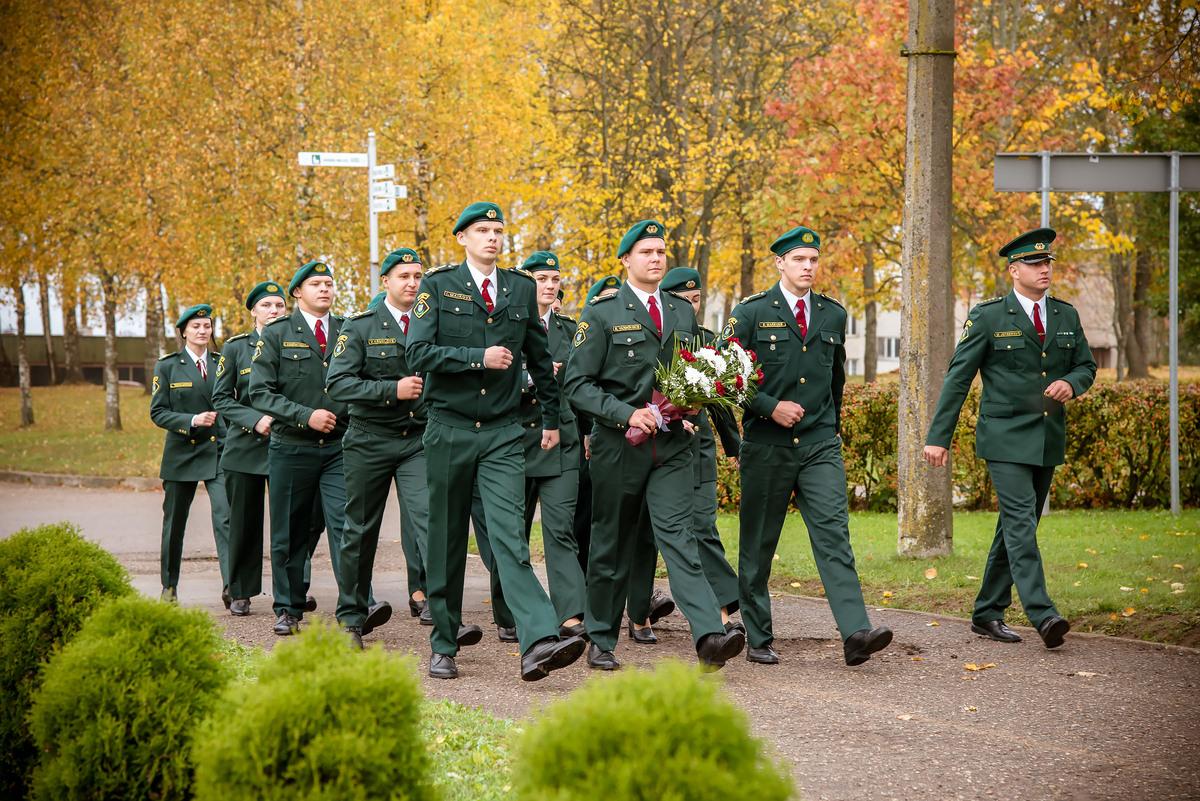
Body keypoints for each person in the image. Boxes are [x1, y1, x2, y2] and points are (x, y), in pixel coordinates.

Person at [406, 201, 586, 681]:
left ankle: (538, 640)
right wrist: (476, 357)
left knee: (511, 538)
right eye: (482, 230)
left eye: (499, 231)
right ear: (461, 237)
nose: (492, 238)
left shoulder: (520, 287)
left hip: (505, 434)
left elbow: (539, 353)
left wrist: (551, 417)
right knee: (445, 540)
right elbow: (417, 351)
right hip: (449, 429)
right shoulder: (439, 286)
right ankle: (444, 642)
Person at [564, 219, 745, 671]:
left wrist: (689, 406)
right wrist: (625, 412)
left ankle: (708, 635)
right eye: (646, 252)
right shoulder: (602, 314)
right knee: (612, 543)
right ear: (626, 260)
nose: (656, 259)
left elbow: (686, 373)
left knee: (679, 537)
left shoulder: (681, 312)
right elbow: (578, 385)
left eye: (661, 252)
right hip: (618, 448)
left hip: (670, 449)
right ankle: (601, 639)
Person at [723, 225, 892, 667]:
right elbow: (721, 379)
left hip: (819, 443)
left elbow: (835, 378)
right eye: (799, 259)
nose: (808, 267)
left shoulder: (832, 314)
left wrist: (831, 424)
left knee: (835, 535)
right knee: (759, 544)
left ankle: (856, 632)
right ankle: (758, 636)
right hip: (767, 444)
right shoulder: (751, 313)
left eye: (814, 260)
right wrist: (767, 407)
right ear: (780, 262)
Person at [924, 227, 1096, 649]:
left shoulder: (1065, 315)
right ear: (1014, 270)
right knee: (1021, 524)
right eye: (1035, 264)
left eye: (1048, 263)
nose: (1044, 270)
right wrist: (937, 437)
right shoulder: (988, 317)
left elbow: (1087, 366)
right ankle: (1043, 613)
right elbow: (957, 379)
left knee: (1015, 527)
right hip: (1003, 438)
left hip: (1045, 437)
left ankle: (987, 612)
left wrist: (1071, 384)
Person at [249, 260, 391, 637]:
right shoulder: (278, 333)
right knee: (290, 531)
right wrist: (304, 416)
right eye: (316, 284)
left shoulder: (349, 329)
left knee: (349, 528)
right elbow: (260, 391)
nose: (325, 289)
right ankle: (288, 607)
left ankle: (358, 607)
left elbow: (363, 380)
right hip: (292, 447)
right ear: (297, 292)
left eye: (329, 283)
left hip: (341, 447)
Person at [326, 248, 455, 648]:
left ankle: (442, 614)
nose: (413, 284)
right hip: (369, 439)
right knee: (360, 529)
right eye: (404, 276)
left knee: (432, 521)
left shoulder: (433, 322)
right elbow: (339, 384)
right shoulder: (361, 326)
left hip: (417, 440)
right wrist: (390, 390)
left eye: (418, 276)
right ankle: (352, 616)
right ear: (386, 282)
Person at [471, 251, 588, 643]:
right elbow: (489, 373)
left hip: (561, 441)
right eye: (541, 278)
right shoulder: (503, 323)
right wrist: (529, 378)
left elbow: (587, 376)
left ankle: (571, 614)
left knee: (560, 530)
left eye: (555, 278)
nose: (549, 285)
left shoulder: (572, 330)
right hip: (515, 439)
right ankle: (508, 614)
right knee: (512, 533)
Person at [626, 266, 743, 644]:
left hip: (698, 450)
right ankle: (639, 612)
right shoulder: (647, 336)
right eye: (684, 300)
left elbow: (720, 399)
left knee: (702, 527)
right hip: (648, 444)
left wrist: (734, 447)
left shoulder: (704, 341)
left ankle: (723, 610)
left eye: (696, 300)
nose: (691, 307)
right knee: (645, 534)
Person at [212, 282, 287, 615]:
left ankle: (291, 592)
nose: (273, 311)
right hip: (245, 447)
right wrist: (254, 420)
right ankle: (240, 589)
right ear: (254, 311)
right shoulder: (236, 348)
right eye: (267, 306)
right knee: (243, 521)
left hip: (287, 444)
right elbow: (221, 397)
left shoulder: (295, 343)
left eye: (279, 306)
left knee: (290, 522)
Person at [150, 304, 231, 605]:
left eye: (207, 326)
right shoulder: (168, 366)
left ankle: (232, 588)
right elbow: (157, 412)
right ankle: (168, 588)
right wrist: (190, 421)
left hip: (219, 451)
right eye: (196, 326)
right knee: (174, 524)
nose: (202, 331)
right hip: (182, 453)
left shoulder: (223, 363)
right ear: (184, 332)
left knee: (227, 518)